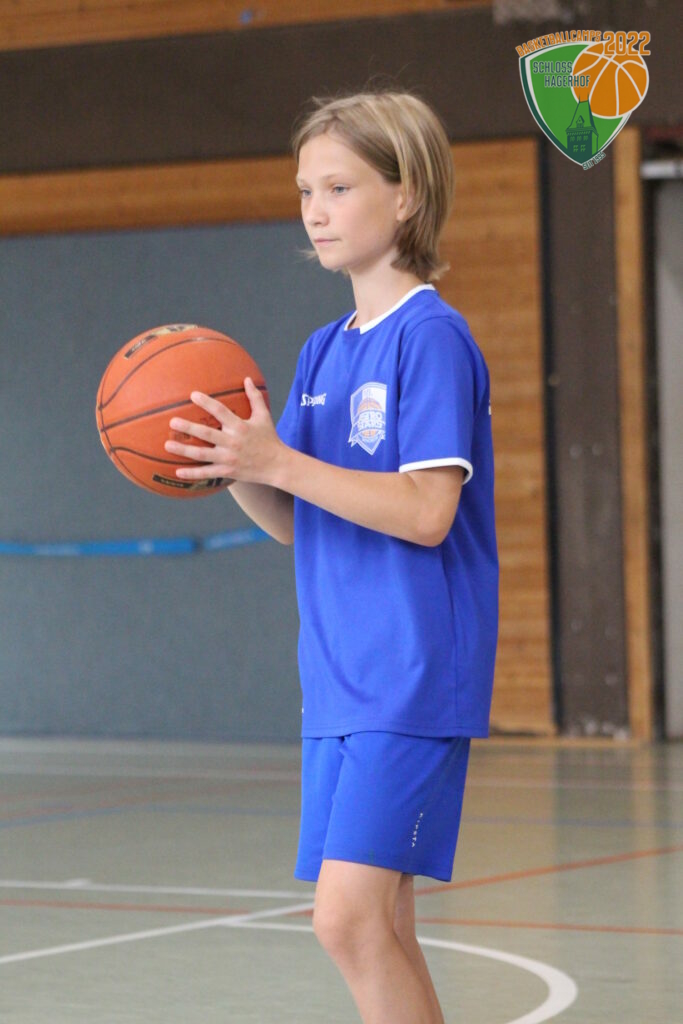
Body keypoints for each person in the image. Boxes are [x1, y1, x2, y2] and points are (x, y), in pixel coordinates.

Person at [165, 89, 498, 1024]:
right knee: (380, 925)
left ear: (406, 194)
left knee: (345, 922)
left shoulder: (430, 337)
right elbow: (296, 521)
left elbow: (427, 512)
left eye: (339, 187)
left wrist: (279, 459)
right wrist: (231, 466)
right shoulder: (321, 351)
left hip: (411, 673)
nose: (315, 209)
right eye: (305, 190)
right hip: (337, 677)